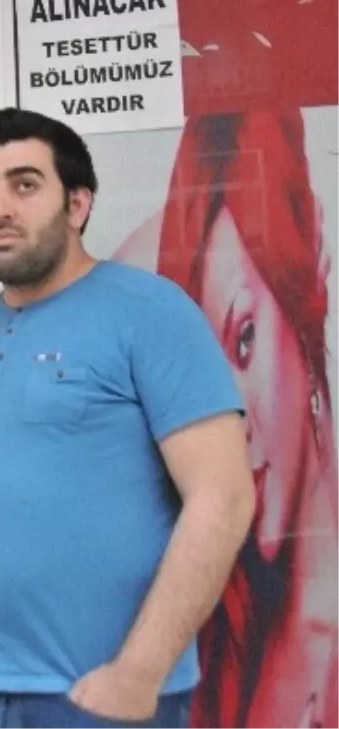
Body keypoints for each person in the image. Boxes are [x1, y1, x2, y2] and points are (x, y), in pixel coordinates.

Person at [0, 108, 256, 729]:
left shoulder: (150, 312)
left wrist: (139, 672)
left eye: (25, 184)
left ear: (78, 204)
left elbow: (223, 498)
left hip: (101, 699)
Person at [114, 110, 339, 729]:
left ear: (309, 266)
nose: (223, 411)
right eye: (198, 364)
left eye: (244, 341)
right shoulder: (204, 631)